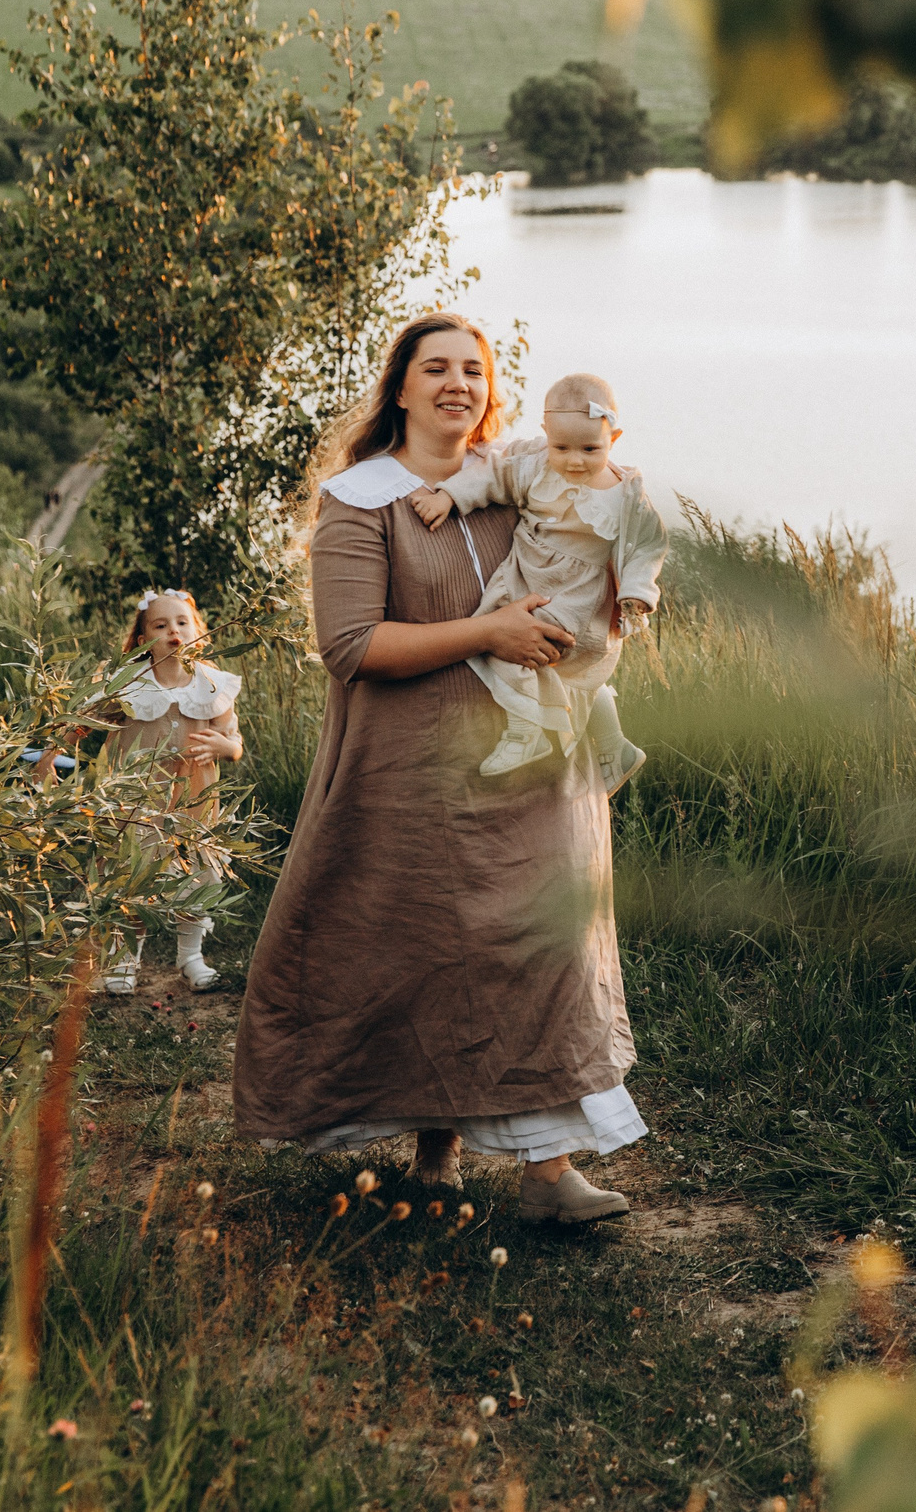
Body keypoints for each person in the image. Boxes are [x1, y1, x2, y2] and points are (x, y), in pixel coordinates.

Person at [232, 311, 642, 1225]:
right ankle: (437, 1155)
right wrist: (489, 631)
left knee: (538, 947)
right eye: (439, 368)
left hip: (535, 758)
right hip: (409, 772)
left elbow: (588, 557)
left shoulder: (520, 484)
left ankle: (548, 1175)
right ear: (403, 385)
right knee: (425, 952)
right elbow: (348, 643)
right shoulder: (359, 498)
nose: (459, 383)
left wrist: (613, 591)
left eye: (475, 370)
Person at [406, 371, 668, 793]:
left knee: (528, 644)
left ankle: (525, 730)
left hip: (579, 592)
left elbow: (649, 545)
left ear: (614, 439)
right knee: (528, 647)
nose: (575, 460)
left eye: (590, 448)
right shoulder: (534, 466)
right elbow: (492, 478)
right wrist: (448, 496)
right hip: (528, 573)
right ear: (545, 433)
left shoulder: (625, 492)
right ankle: (614, 746)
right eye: (561, 447)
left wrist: (638, 591)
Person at [40, 588, 244, 995]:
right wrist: (52, 754)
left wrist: (226, 747)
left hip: (194, 803)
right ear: (140, 639)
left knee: (196, 876)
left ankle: (191, 957)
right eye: (161, 624)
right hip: (136, 803)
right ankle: (124, 959)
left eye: (183, 622)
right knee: (132, 875)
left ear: (197, 632)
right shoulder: (129, 684)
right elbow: (85, 722)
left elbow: (234, 742)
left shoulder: (210, 684)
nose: (174, 630)